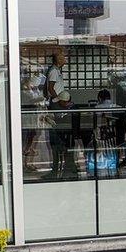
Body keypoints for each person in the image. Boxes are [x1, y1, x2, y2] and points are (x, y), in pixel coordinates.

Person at [42, 50, 78, 179]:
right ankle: (59, 168)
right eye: (62, 57)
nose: (65, 58)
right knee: (59, 136)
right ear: (57, 59)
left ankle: (65, 166)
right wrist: (58, 100)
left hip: (59, 103)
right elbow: (50, 88)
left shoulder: (57, 71)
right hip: (57, 104)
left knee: (63, 137)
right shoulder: (53, 71)